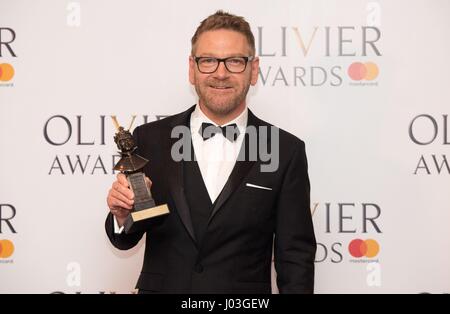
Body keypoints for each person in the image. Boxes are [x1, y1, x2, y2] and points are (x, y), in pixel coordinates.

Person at [106, 10, 316, 294]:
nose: (220, 72)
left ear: (253, 70)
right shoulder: (150, 139)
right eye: (208, 61)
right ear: (192, 69)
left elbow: (295, 259)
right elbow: (125, 240)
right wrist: (121, 215)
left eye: (234, 61)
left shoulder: (284, 150)